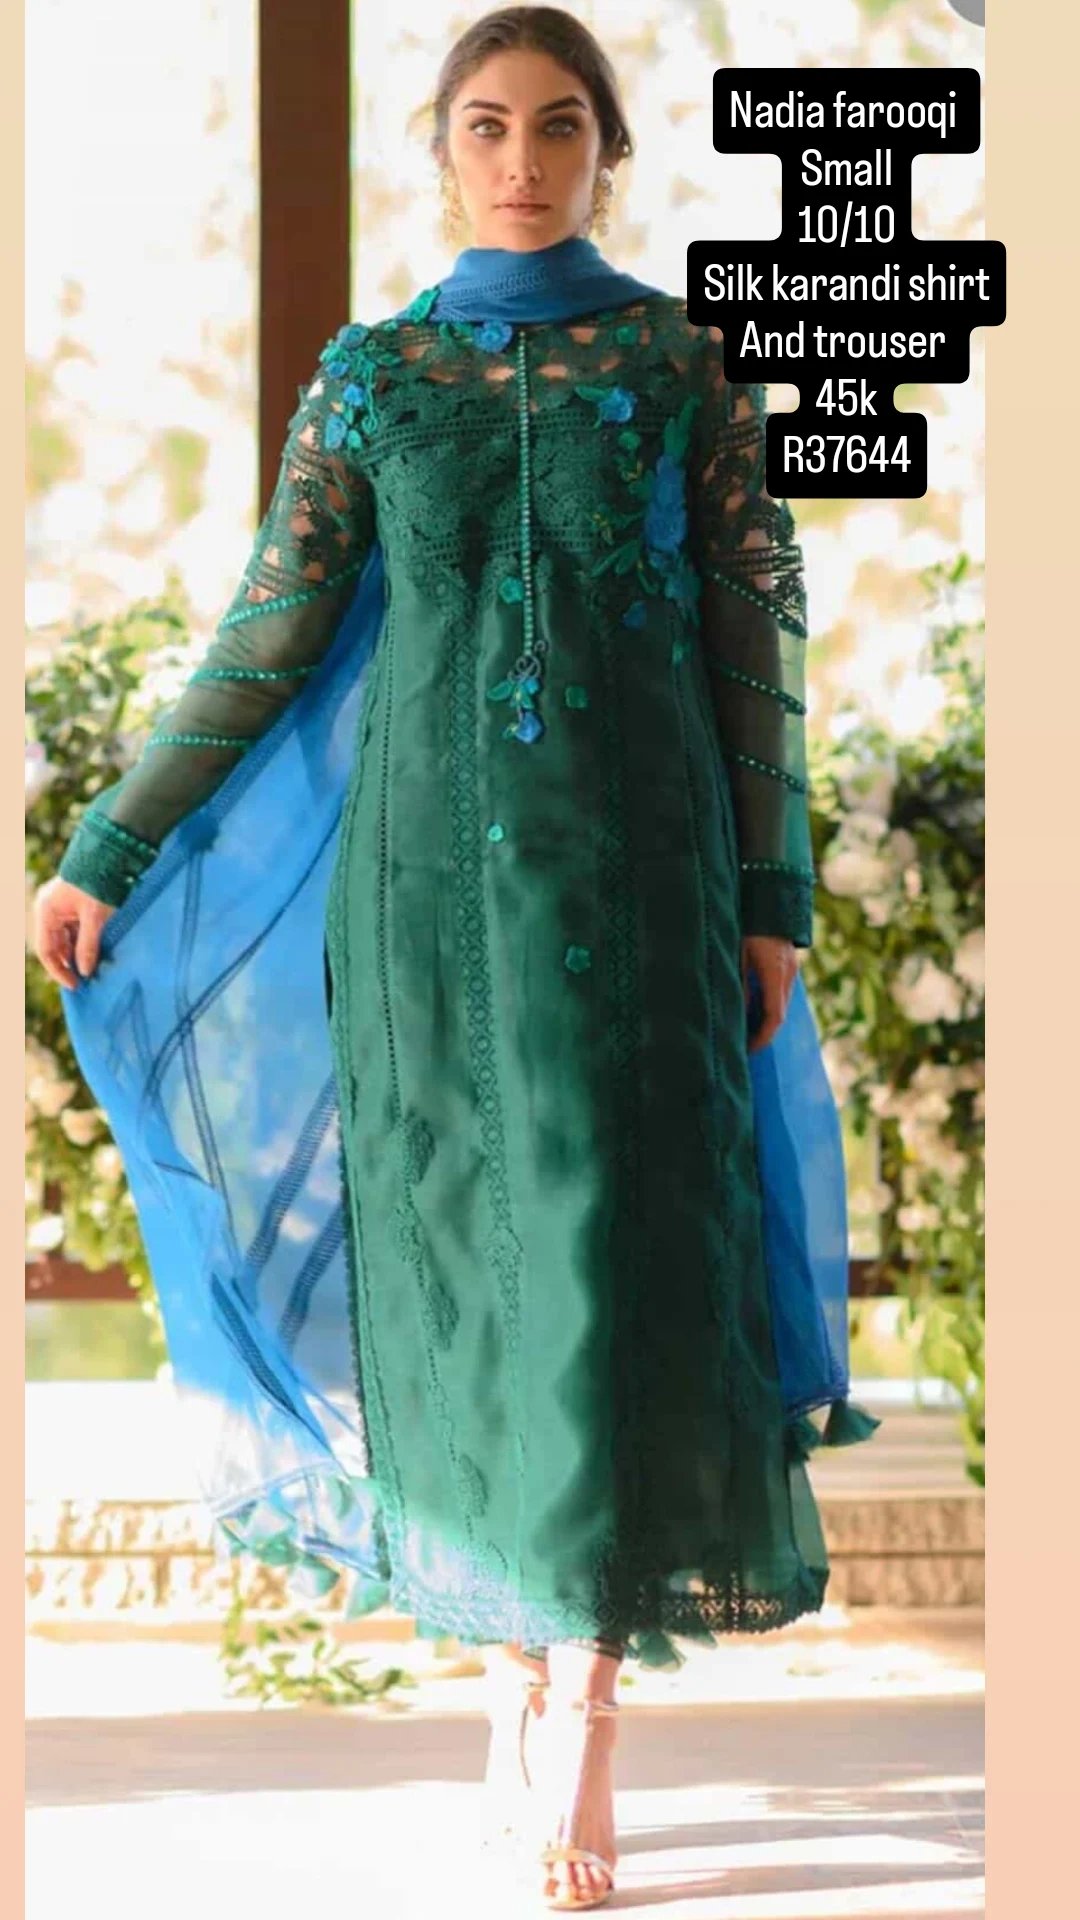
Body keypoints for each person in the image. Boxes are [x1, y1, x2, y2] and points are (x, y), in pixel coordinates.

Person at [34, 8, 879, 1910]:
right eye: (487, 126)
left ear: (605, 156)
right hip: (421, 907)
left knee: (611, 1268)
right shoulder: (372, 380)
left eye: (559, 126)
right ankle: (511, 1661)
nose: (522, 158)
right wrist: (109, 846)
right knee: (461, 1284)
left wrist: (772, 896)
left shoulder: (680, 364)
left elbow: (754, 631)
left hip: (640, 890)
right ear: (441, 156)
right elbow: (269, 632)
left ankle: (583, 1711)